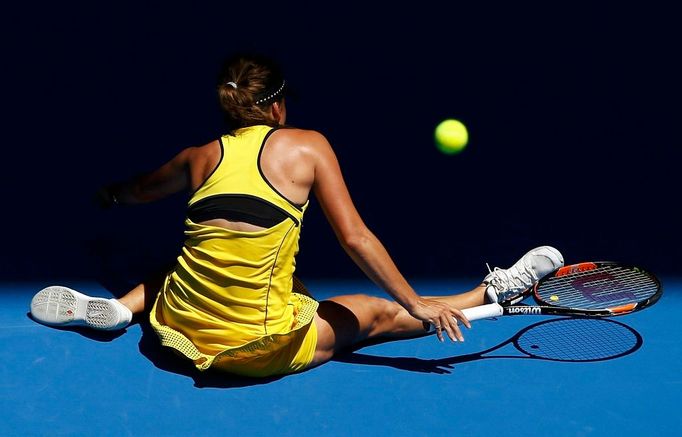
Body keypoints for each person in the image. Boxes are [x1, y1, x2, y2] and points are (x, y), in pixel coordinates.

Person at [29, 54, 564, 377]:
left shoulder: (197, 157)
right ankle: (490, 294)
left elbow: (140, 190)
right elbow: (354, 238)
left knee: (184, 266)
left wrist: (110, 196)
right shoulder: (308, 146)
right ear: (278, 106)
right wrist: (414, 301)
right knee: (374, 315)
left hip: (180, 326)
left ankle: (124, 310)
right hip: (251, 350)